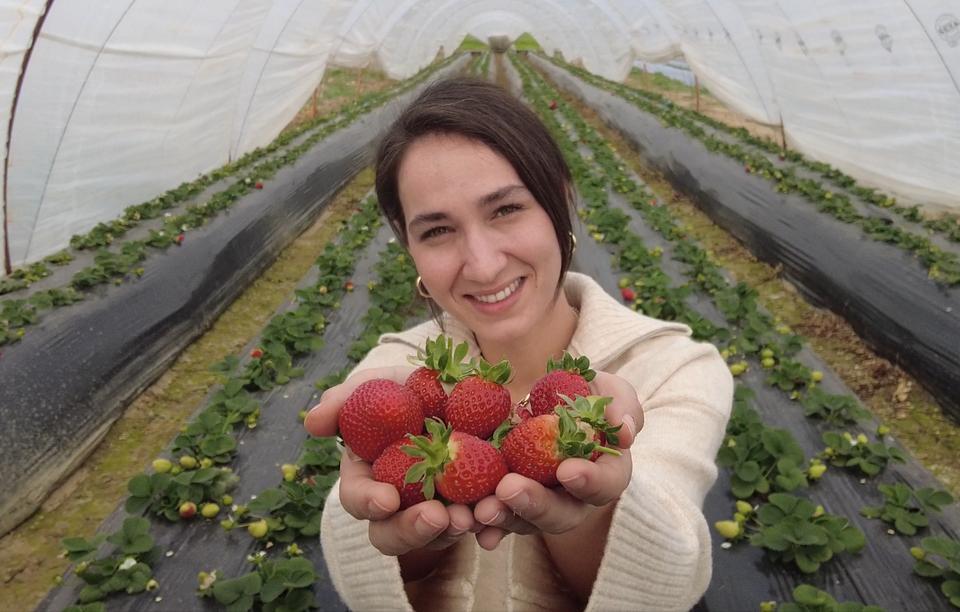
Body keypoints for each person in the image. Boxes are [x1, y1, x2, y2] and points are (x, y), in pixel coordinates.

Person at [304, 76, 733, 611]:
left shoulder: (677, 367)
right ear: (406, 244)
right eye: (437, 231)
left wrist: (591, 503)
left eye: (506, 209)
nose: (483, 264)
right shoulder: (398, 370)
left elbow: (667, 581)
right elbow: (361, 568)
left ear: (561, 198)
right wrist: (399, 525)